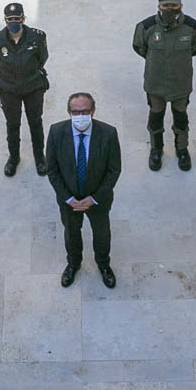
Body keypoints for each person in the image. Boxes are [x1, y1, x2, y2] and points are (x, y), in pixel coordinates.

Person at [44, 92, 122, 289]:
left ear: (93, 111)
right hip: (69, 200)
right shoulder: (56, 132)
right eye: (76, 111)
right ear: (69, 112)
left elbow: (114, 171)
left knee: (102, 233)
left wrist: (94, 198)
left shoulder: (108, 133)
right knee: (71, 233)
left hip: (98, 200)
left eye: (85, 111)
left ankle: (104, 265)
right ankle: (73, 264)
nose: (80, 116)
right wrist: (68, 198)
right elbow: (52, 170)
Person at [131, 0, 196, 171]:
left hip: (181, 85)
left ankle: (182, 150)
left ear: (181, 5)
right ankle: (156, 149)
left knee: (181, 118)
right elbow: (139, 47)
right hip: (155, 85)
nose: (169, 8)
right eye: (166, 5)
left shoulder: (192, 26)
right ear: (159, 6)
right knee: (156, 117)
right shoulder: (146, 26)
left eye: (173, 5)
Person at [0, 2, 49, 177]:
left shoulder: (37, 37)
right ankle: (14, 158)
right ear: (5, 20)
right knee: (12, 125)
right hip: (9, 90)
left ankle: (39, 158)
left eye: (17, 19)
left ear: (23, 18)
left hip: (33, 87)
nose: (14, 22)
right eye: (10, 19)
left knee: (35, 123)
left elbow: (42, 58)